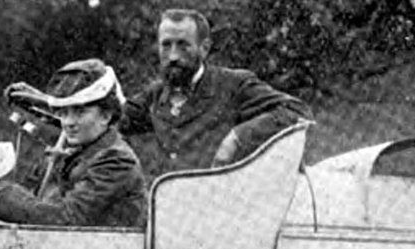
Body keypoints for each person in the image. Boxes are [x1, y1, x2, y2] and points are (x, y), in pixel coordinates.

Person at [123, 9, 311, 177]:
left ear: (204, 48)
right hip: (170, 207)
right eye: (166, 45)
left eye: (183, 45)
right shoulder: (155, 94)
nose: (173, 56)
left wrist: (237, 138)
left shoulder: (233, 85)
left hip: (221, 205)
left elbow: (297, 111)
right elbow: (111, 119)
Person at [0, 59, 145, 228]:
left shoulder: (116, 160)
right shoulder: (82, 150)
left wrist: (7, 198)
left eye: (79, 112)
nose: (68, 122)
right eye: (63, 113)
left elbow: (68, 219)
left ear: (106, 116)